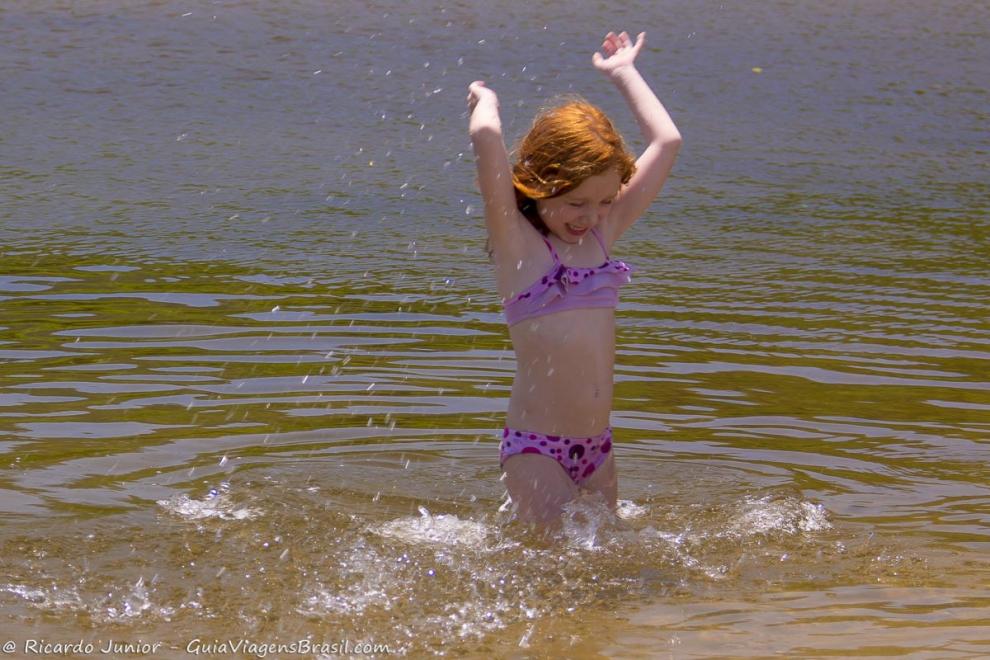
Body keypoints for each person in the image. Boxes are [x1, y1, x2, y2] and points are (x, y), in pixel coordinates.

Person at [467, 31, 681, 525]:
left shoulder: (602, 234)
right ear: (540, 185)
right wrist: (486, 103)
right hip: (537, 449)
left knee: (602, 566)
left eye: (605, 200)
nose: (590, 215)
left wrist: (623, 72)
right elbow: (486, 139)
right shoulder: (516, 243)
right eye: (576, 202)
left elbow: (667, 141)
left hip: (598, 449)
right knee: (544, 569)